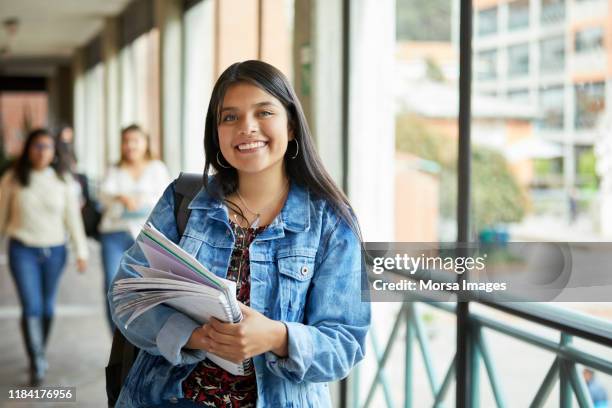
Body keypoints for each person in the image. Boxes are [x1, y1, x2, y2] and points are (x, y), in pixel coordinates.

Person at [108, 60, 370, 407]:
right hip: (170, 398)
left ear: (291, 125)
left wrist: (277, 337)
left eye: (264, 112)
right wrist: (196, 337)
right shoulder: (183, 200)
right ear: (216, 132)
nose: (247, 128)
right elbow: (126, 295)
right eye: (229, 117)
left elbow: (346, 342)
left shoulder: (332, 221)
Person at [0, 128, 88, 386]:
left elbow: (73, 220)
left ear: (54, 152)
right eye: (37, 146)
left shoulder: (63, 182)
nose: (41, 152)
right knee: (32, 307)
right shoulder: (13, 178)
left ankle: (39, 350)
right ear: (29, 149)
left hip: (55, 252)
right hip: (22, 250)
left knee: (47, 309)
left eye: (47, 147)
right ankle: (37, 358)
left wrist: (81, 252)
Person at [99, 124, 170, 330]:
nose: (130, 146)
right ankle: (116, 337)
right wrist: (120, 197)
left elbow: (165, 199)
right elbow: (103, 198)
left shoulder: (157, 168)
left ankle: (139, 337)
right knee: (113, 286)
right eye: (126, 141)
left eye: (135, 141)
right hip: (114, 234)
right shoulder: (114, 169)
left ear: (145, 143)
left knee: (146, 288)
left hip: (146, 235)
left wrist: (140, 200)